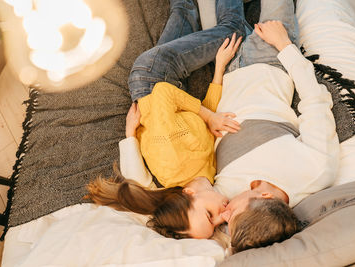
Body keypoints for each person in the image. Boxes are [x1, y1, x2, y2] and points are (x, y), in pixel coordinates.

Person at [86, 0, 302, 253]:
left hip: (154, 76)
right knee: (184, 11)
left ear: (189, 194)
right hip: (173, 88)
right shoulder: (208, 173)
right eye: (218, 223)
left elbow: (165, 94)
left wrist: (129, 136)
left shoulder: (174, 162)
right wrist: (219, 68)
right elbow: (206, 117)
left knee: (233, 30)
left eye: (211, 214)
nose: (223, 215)